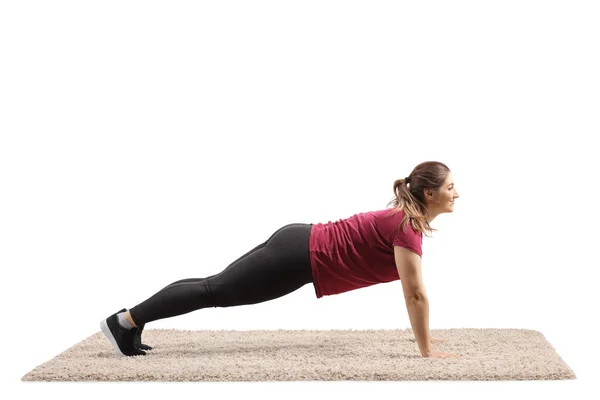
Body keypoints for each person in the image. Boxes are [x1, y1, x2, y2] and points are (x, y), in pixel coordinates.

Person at [100, 161, 461, 359]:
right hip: (300, 257)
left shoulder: (403, 220)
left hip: (298, 241)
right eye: (450, 188)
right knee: (214, 291)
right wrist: (427, 351)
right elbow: (415, 294)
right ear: (429, 193)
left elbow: (411, 291)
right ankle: (125, 321)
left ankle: (130, 323)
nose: (456, 194)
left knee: (213, 285)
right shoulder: (406, 228)